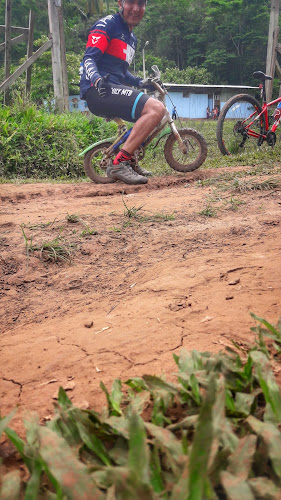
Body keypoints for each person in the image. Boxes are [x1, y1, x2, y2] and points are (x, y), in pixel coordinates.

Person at [80, 0, 165, 185]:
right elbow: (89, 58)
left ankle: (130, 161)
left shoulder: (131, 38)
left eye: (141, 3)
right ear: (120, 3)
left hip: (114, 88)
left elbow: (122, 72)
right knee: (156, 109)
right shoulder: (107, 24)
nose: (136, 8)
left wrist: (141, 82)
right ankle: (119, 163)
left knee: (151, 116)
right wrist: (96, 79)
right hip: (99, 91)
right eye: (131, 2)